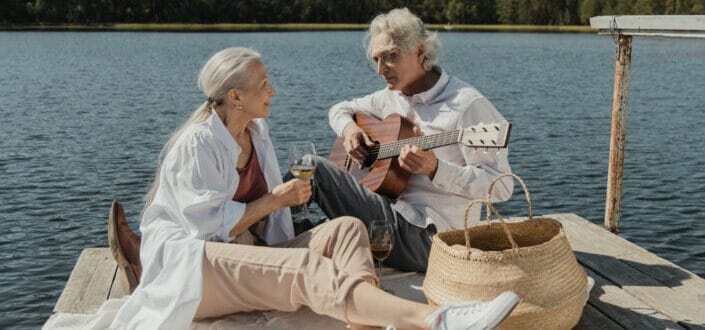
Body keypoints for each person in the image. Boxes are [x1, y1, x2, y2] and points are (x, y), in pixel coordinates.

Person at [108, 47, 520, 329]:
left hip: (245, 254)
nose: (273, 91)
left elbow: (270, 217)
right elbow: (206, 231)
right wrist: (275, 201)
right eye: (264, 84)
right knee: (307, 269)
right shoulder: (197, 143)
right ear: (235, 96)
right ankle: (434, 319)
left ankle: (365, 320)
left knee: (347, 229)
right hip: (196, 266)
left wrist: (280, 208)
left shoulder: (256, 131)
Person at [304, 8, 514, 273]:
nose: (380, 69)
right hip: (388, 219)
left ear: (419, 51)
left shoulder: (467, 105)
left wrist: (436, 169)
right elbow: (339, 109)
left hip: (434, 241)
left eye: (390, 57)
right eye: (376, 60)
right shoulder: (391, 97)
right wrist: (349, 131)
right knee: (303, 223)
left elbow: (502, 187)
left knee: (312, 168)